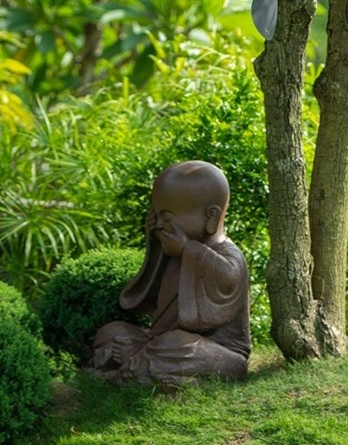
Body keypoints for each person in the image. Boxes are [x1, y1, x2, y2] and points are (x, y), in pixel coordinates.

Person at [92, 160, 250, 388]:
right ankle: (140, 360)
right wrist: (155, 243)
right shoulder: (176, 250)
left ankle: (131, 367)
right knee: (111, 332)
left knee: (176, 343)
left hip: (220, 353)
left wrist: (187, 250)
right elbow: (146, 298)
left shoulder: (230, 259)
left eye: (167, 218)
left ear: (211, 216)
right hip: (160, 340)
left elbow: (199, 321)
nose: (160, 225)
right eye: (156, 217)